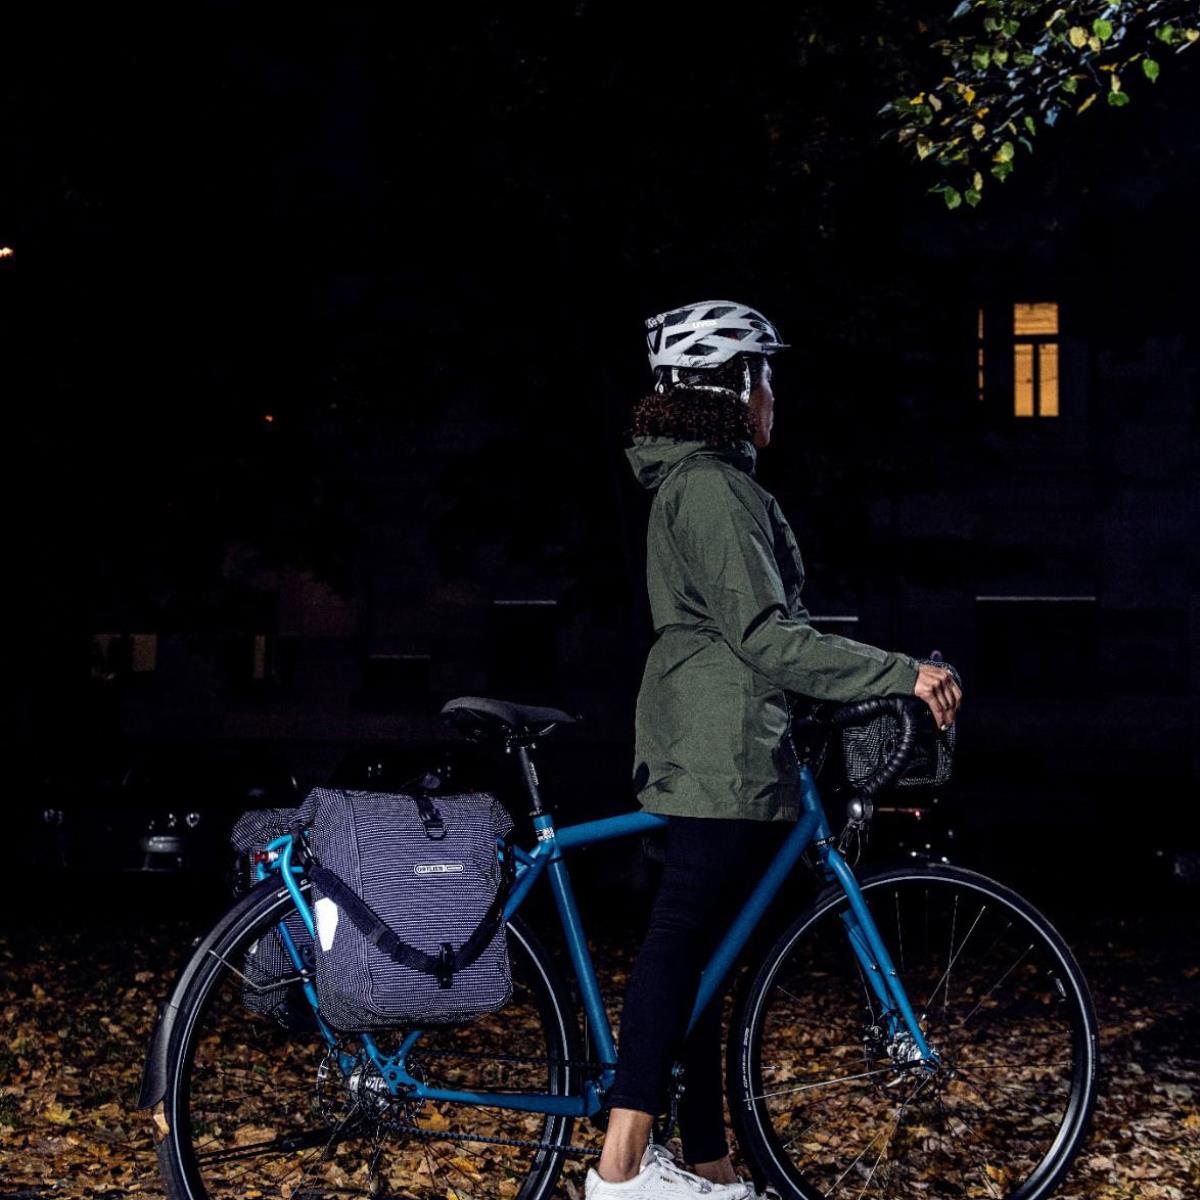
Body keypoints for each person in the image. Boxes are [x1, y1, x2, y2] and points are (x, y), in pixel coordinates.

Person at [584, 300, 963, 1200]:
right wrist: (899, 672)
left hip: (729, 742)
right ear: (731, 386)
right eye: (765, 376)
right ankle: (621, 1165)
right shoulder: (712, 489)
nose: (773, 396)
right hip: (719, 749)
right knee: (683, 939)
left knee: (710, 966)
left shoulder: (707, 482)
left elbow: (760, 633)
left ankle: (708, 1165)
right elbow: (766, 635)